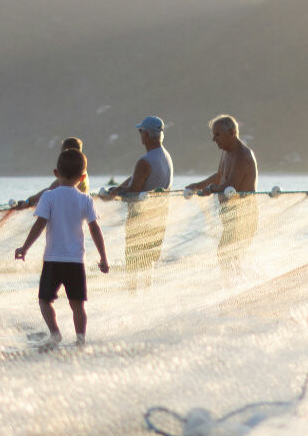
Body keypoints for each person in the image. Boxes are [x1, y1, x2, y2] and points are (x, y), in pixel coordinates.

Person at [14, 148, 110, 348]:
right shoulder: (86, 199)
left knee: (44, 300)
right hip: (76, 261)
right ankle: (81, 340)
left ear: (56, 173)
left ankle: (55, 333)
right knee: (77, 305)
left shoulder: (49, 197)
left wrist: (24, 248)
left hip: (53, 260)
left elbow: (39, 225)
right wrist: (103, 257)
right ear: (83, 177)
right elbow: (95, 229)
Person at [102, 116, 173, 291]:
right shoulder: (165, 156)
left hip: (140, 220)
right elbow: (136, 179)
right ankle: (147, 295)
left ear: (147, 135)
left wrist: (114, 194)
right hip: (159, 218)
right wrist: (118, 188)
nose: (140, 135)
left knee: (133, 263)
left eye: (140, 131)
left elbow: (133, 191)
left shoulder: (144, 161)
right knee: (148, 263)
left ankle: (132, 297)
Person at [186, 114, 259, 276]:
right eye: (213, 135)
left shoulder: (242, 155)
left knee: (227, 256)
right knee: (227, 256)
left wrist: (211, 189)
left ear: (232, 132)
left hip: (243, 215)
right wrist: (197, 186)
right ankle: (233, 288)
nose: (214, 139)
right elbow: (220, 175)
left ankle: (236, 291)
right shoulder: (226, 152)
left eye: (217, 135)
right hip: (229, 215)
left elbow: (230, 185)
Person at [20, 138, 89, 209]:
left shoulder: (67, 176)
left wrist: (28, 201)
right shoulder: (82, 173)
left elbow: (49, 190)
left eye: (62, 151)